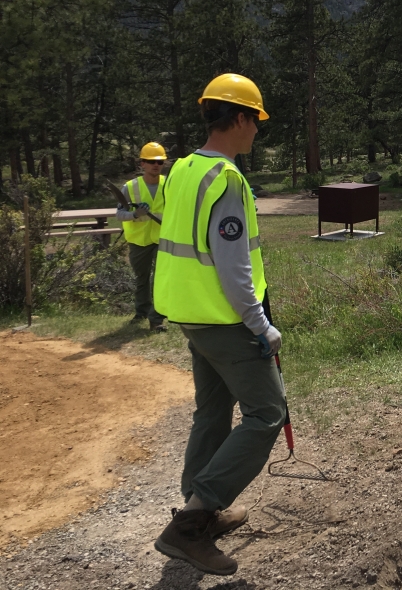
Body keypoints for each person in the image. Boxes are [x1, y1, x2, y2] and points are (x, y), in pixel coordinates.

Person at [152, 73, 286, 576]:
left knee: (211, 412)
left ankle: (200, 508)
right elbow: (233, 265)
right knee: (266, 414)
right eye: (257, 122)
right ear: (241, 118)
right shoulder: (226, 178)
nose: (258, 133)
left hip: (191, 315)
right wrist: (260, 325)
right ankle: (191, 524)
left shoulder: (184, 168)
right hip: (224, 318)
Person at [118, 142, 168, 331]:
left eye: (160, 161)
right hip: (139, 241)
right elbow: (119, 214)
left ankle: (157, 319)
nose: (155, 165)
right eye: (150, 161)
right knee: (142, 278)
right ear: (142, 164)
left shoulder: (169, 184)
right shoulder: (130, 187)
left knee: (161, 278)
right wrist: (135, 214)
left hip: (164, 239)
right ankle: (141, 312)